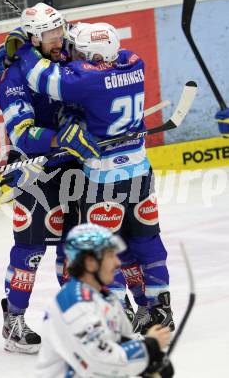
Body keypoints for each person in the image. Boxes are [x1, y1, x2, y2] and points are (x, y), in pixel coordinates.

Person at [13, 22, 175, 334]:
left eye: (76, 48)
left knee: (101, 250)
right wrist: (73, 31)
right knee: (147, 241)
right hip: (140, 172)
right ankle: (161, 309)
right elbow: (102, 52)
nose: (69, 52)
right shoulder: (133, 62)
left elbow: (41, 76)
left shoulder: (87, 80)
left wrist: (23, 47)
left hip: (104, 181)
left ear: (92, 57)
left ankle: (115, 318)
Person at [0, 3, 100, 354]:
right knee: (30, 250)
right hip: (33, 171)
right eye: (51, 36)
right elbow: (23, 134)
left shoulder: (71, 60)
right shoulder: (13, 78)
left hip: (74, 167)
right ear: (33, 38)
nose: (60, 40)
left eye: (61, 32)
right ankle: (14, 319)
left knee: (77, 245)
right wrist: (59, 137)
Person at [36, 223, 174, 378]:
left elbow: (120, 343)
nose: (117, 263)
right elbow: (99, 361)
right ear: (90, 262)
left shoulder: (104, 297)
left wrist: (147, 363)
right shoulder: (74, 304)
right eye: (110, 255)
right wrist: (149, 347)